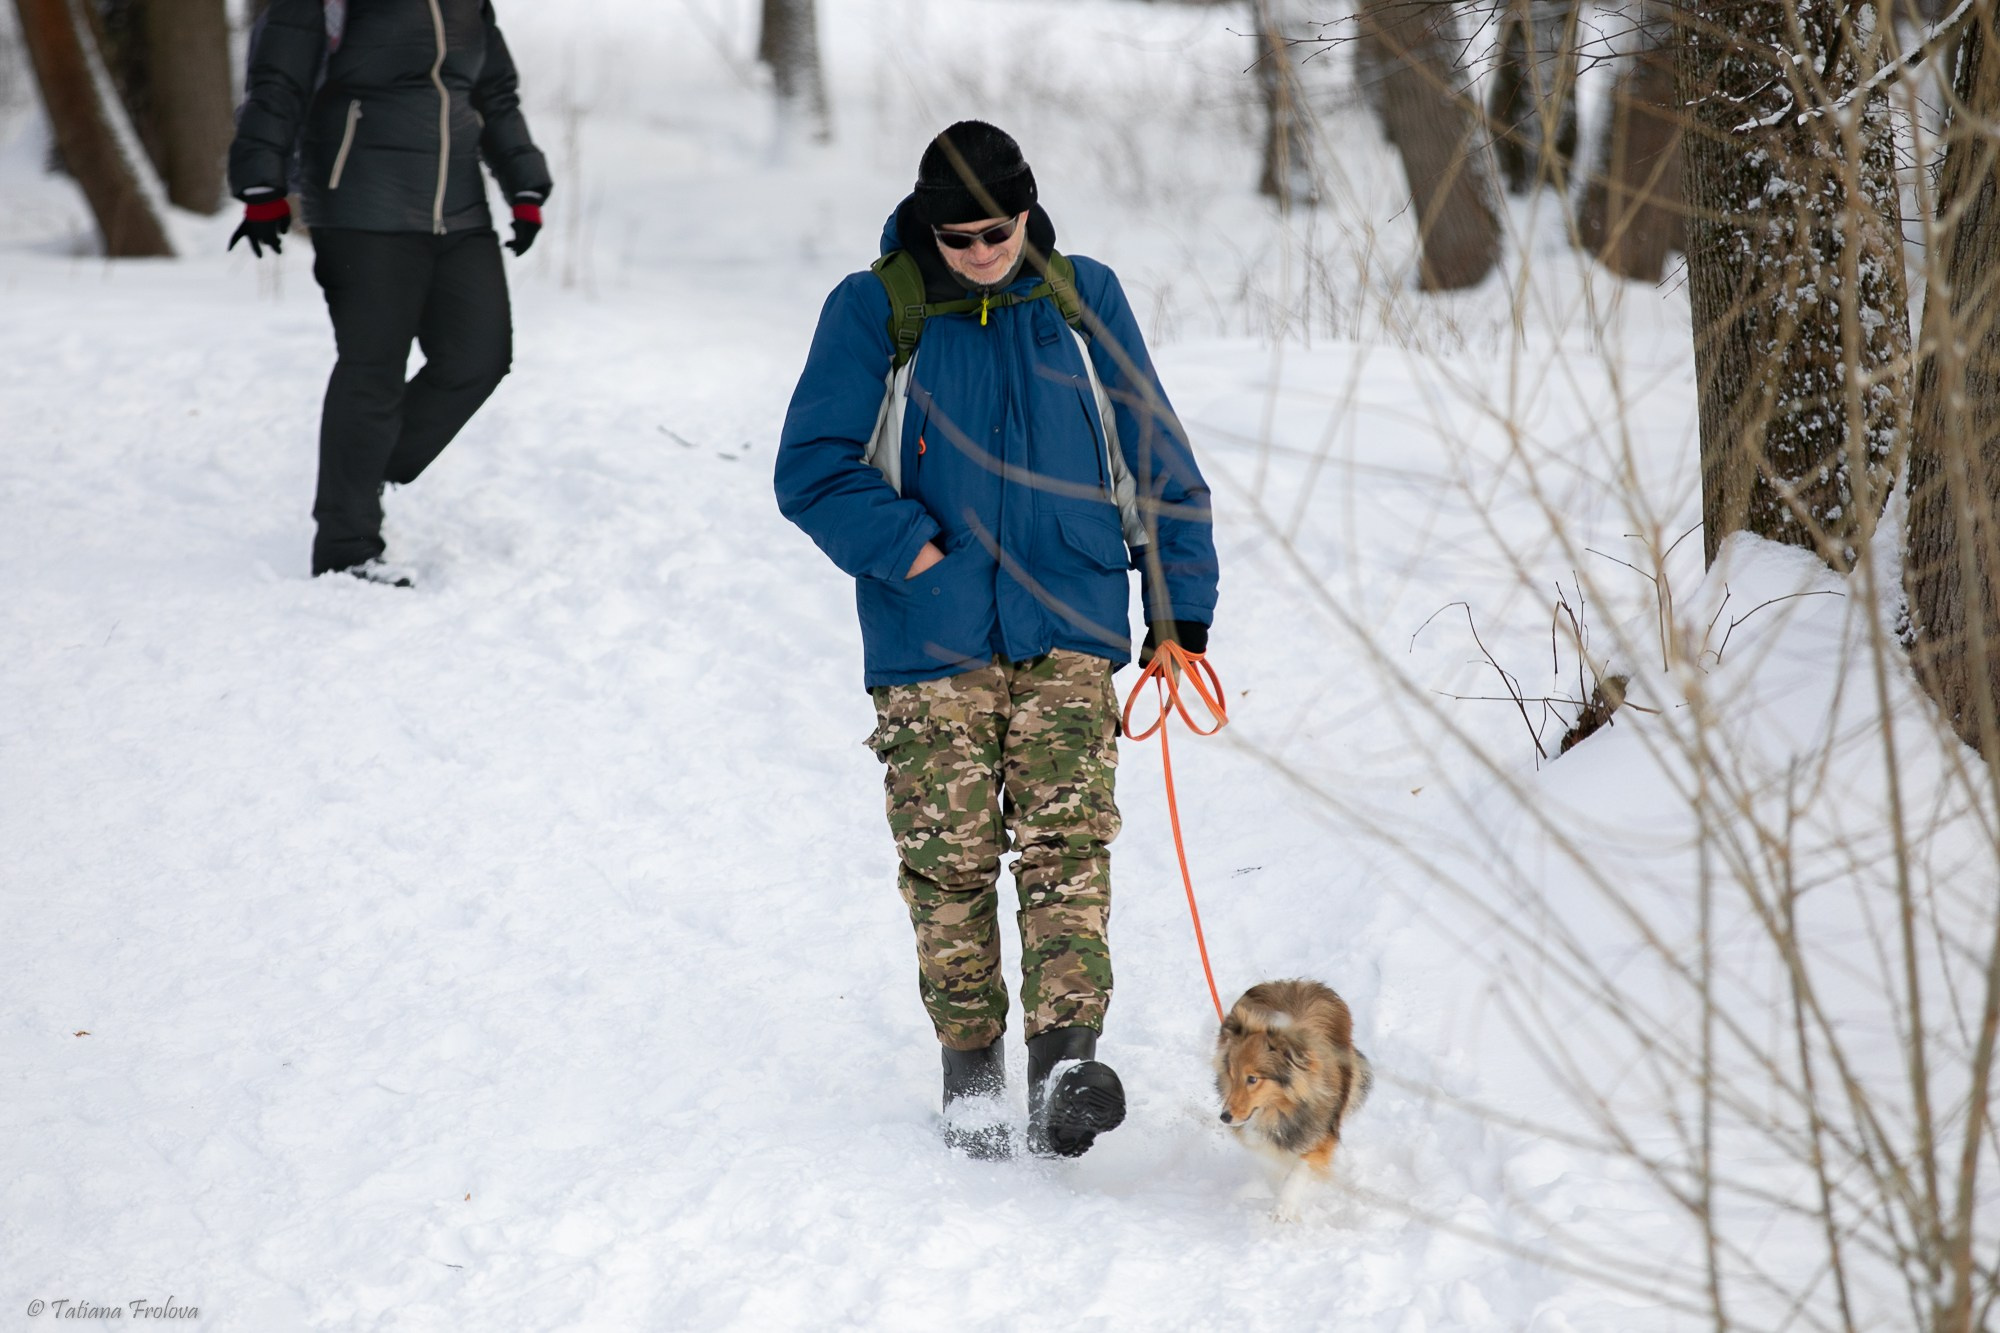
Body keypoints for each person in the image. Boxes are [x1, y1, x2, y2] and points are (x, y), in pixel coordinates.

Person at [774, 121, 1219, 1159]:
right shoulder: (873, 309)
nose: (982, 251)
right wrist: (910, 550)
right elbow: (810, 468)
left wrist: (1174, 606)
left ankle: (1064, 1063)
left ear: (1028, 211)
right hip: (930, 637)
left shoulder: (1079, 297)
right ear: (929, 228)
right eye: (960, 236)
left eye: (998, 230)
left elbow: (1153, 452)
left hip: (1065, 614)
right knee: (952, 860)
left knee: (1067, 846)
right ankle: (969, 1070)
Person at [227, 0, 551, 586]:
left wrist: (524, 184)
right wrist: (260, 181)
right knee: (371, 367)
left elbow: (494, 91)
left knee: (478, 357)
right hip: (359, 200)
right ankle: (345, 546)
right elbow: (279, 79)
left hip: (457, 206)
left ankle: (369, 463)